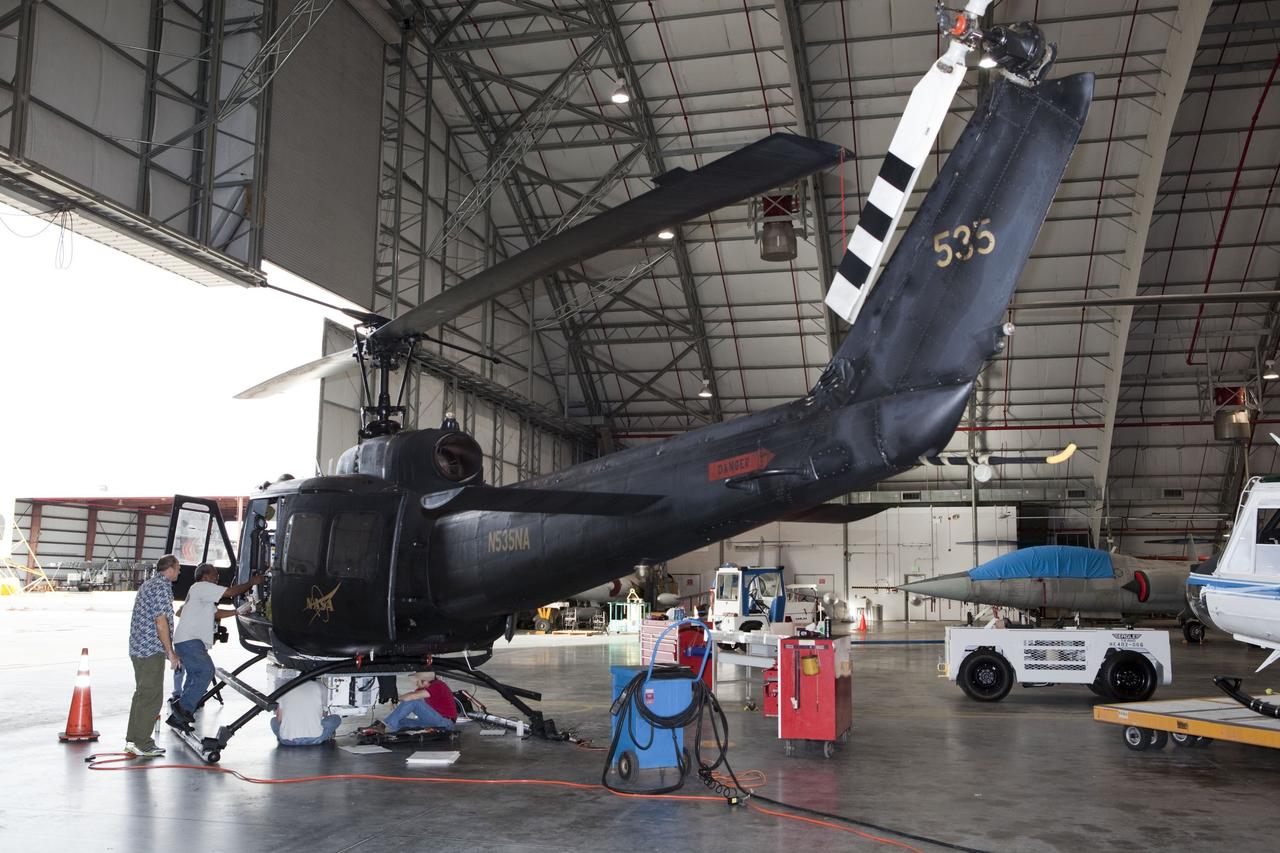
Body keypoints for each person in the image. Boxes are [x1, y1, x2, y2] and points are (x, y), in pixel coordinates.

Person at [169, 564, 264, 727]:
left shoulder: (201, 593)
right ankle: (182, 707)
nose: (217, 578)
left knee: (194, 677)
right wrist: (251, 582)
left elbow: (216, 613)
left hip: (186, 641)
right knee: (207, 671)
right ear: (204, 577)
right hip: (190, 641)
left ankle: (178, 718)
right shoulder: (202, 586)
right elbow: (230, 592)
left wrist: (238, 612)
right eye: (215, 575)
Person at [125, 554, 181, 758]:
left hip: (138, 649)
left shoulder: (148, 585)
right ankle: (143, 743)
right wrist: (171, 652)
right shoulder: (162, 588)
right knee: (151, 697)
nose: (180, 572)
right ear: (171, 569)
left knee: (141, 695)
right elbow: (161, 622)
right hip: (150, 651)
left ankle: (133, 739)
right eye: (179, 568)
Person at [376, 671, 457, 732]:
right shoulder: (422, 689)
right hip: (431, 722)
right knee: (400, 721)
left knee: (414, 701)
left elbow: (412, 697)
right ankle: (392, 731)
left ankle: (384, 725)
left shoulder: (438, 685)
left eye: (417, 681)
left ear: (425, 681)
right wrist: (395, 699)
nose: (416, 684)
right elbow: (410, 696)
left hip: (445, 723)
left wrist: (397, 698)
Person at [271, 679, 341, 746]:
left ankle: (283, 735)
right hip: (314, 739)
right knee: (336, 718)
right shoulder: (318, 686)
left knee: (273, 721)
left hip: (287, 741)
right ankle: (326, 735)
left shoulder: (285, 688)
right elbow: (323, 714)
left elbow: (279, 719)